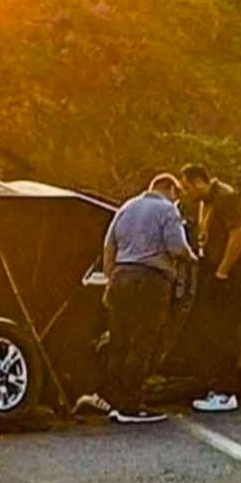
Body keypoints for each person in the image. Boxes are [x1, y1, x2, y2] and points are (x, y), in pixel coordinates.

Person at [100, 173, 197, 424]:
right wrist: (192, 257)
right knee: (142, 341)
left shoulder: (126, 207)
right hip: (151, 280)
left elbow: (108, 246)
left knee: (119, 339)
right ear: (170, 190)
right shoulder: (167, 210)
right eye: (177, 195)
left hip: (121, 276)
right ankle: (133, 406)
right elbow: (176, 246)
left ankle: (116, 401)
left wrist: (111, 276)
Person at [180, 164, 241, 413]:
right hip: (211, 269)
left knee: (226, 332)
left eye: (188, 187)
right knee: (209, 331)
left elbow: (237, 236)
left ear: (199, 181)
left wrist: (223, 270)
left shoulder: (226, 197)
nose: (187, 193)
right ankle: (212, 385)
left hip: (229, 274)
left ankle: (226, 391)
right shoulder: (205, 202)